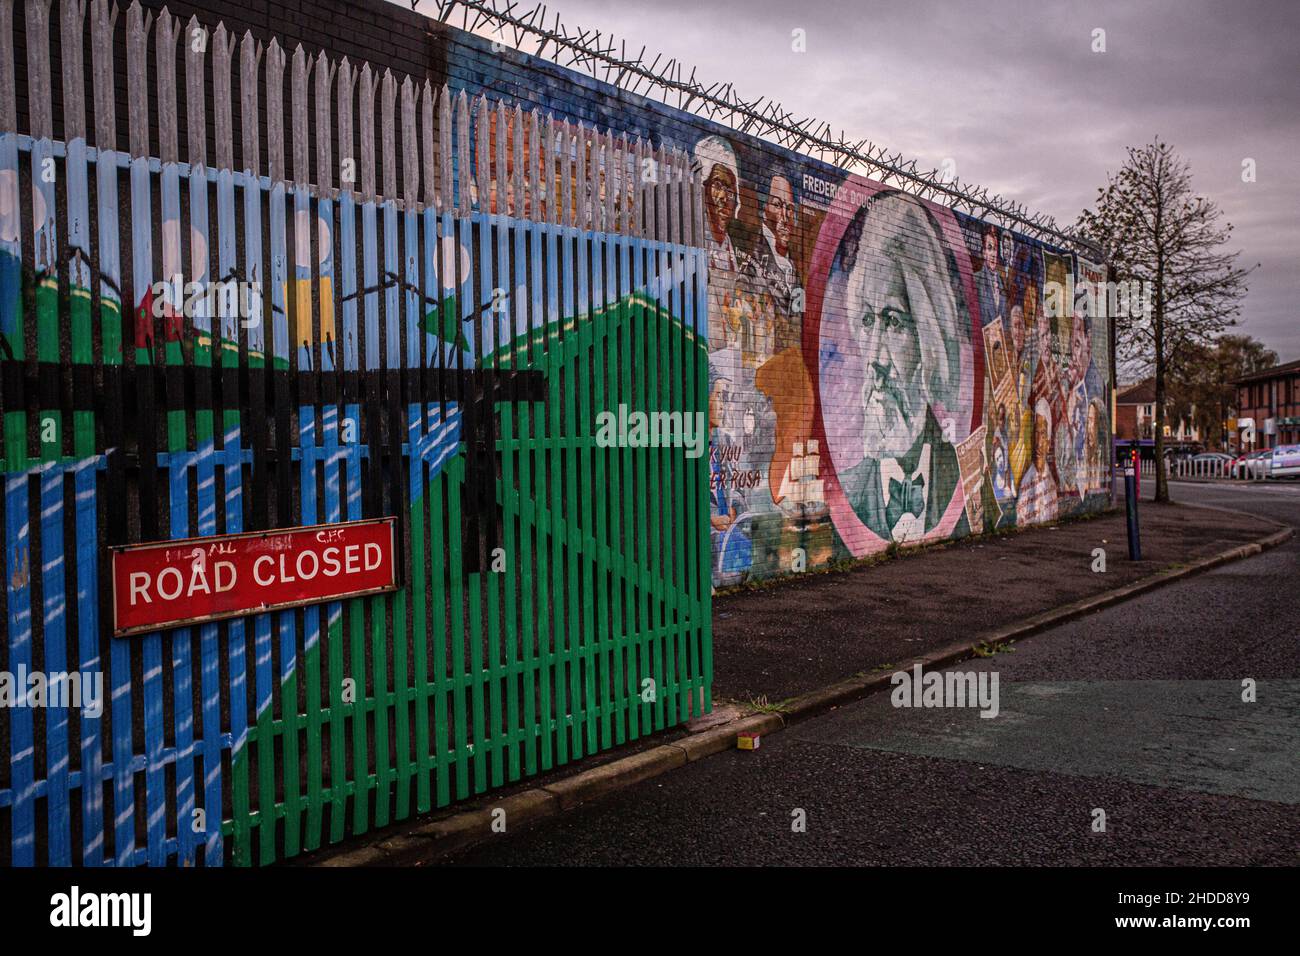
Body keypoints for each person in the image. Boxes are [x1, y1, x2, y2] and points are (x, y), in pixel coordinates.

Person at [826, 191, 967, 545]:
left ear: (928, 339)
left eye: (893, 322)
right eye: (868, 320)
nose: (876, 357)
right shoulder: (848, 493)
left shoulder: (962, 481)